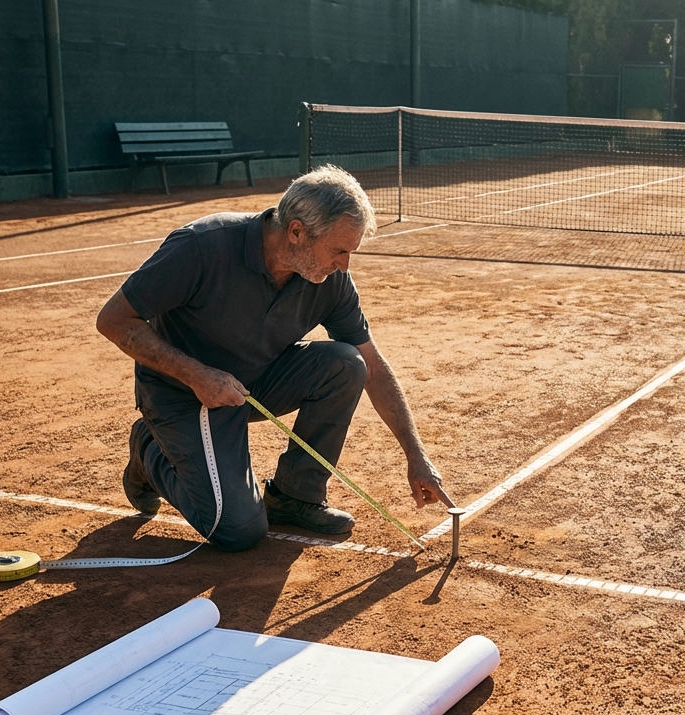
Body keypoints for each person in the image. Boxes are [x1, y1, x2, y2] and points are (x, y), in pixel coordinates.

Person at [95, 165, 454, 552]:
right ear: (297, 232)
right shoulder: (202, 246)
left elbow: (374, 366)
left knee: (347, 363)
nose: (344, 265)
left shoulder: (329, 280)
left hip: (253, 385)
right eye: (339, 250)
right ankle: (148, 450)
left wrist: (416, 456)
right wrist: (197, 375)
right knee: (239, 532)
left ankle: (295, 497)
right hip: (183, 394)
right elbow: (113, 320)